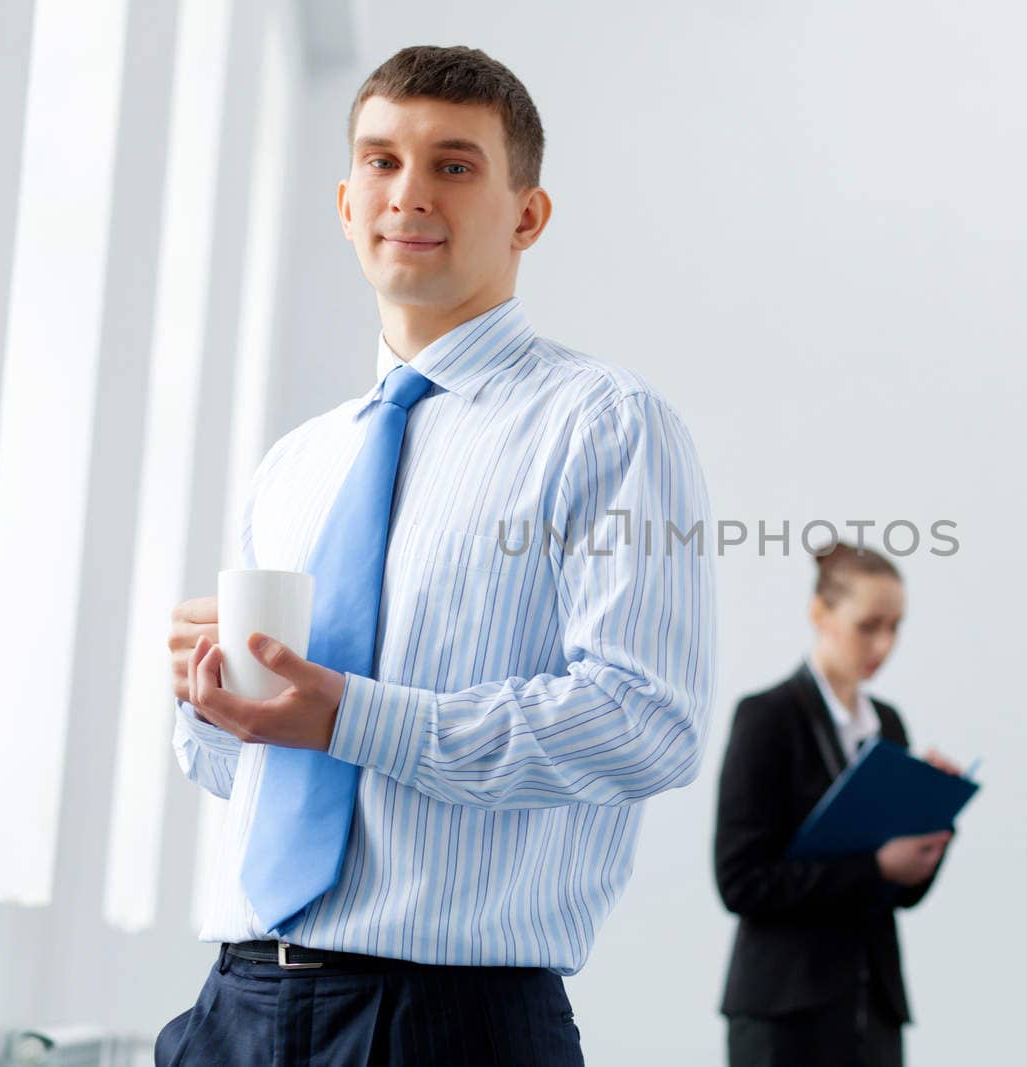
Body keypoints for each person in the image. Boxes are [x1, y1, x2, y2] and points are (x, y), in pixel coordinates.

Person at [157, 45, 716, 1066]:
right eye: (381, 161)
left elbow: (646, 720)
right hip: (232, 1005)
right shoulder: (297, 463)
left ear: (526, 216)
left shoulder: (604, 424)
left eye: (454, 164)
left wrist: (352, 713)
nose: (408, 193)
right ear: (343, 200)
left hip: (446, 1022)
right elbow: (243, 775)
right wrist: (209, 702)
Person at [715, 543, 958, 1067]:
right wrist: (874, 866)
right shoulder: (767, 718)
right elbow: (740, 882)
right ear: (819, 614)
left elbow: (901, 894)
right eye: (869, 625)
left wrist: (934, 821)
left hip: (872, 1010)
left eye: (896, 626)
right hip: (784, 1015)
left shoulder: (888, 726)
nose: (884, 644)